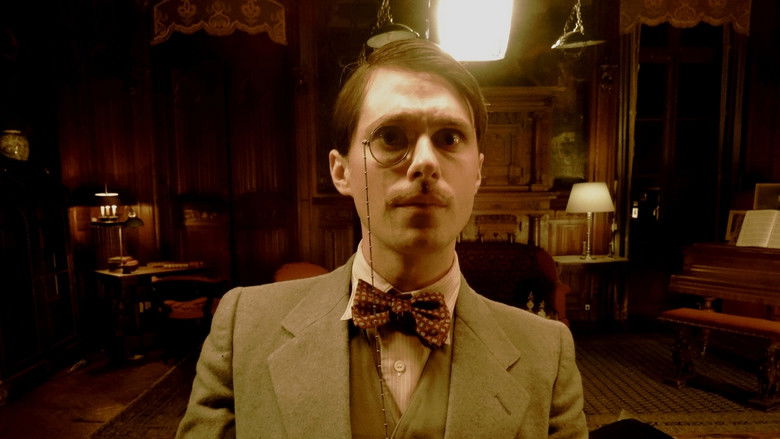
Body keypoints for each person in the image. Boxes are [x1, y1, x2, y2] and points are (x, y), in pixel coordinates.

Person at [176, 38, 588, 438]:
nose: (424, 162)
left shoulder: (546, 353)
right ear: (341, 172)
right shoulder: (245, 327)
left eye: (449, 138)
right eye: (391, 137)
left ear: (477, 172)